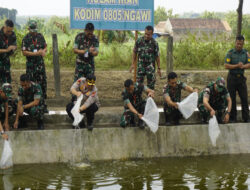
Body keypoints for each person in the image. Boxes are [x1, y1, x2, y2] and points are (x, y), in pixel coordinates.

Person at [21, 20, 48, 112]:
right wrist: (36, 54)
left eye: (35, 30)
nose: (34, 32)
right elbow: (24, 52)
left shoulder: (40, 36)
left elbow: (45, 47)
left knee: (42, 85)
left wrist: (43, 51)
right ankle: (32, 106)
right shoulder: (26, 39)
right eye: (32, 30)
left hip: (40, 65)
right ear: (29, 29)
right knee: (32, 85)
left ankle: (43, 106)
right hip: (31, 66)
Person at [224, 35, 250, 123]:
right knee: (232, 98)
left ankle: (246, 118)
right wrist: (236, 66)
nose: (239, 45)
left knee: (244, 98)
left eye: (241, 44)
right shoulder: (230, 53)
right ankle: (232, 118)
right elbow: (226, 65)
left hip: (241, 78)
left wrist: (243, 66)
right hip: (232, 78)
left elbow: (249, 64)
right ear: (235, 43)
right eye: (238, 44)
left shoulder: (246, 53)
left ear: (243, 44)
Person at [129, 25, 161, 90]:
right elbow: (134, 52)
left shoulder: (154, 43)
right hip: (141, 67)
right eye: (145, 33)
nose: (146, 36)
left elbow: (157, 56)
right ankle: (138, 99)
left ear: (152, 34)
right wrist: (132, 64)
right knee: (138, 85)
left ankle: (150, 99)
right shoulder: (139, 41)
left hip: (150, 68)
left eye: (148, 34)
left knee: (151, 86)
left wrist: (159, 68)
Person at [0, 19, 17, 84]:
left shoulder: (12, 34)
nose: (9, 33)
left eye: (11, 31)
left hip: (6, 62)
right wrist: (7, 50)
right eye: (8, 31)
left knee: (7, 83)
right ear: (4, 27)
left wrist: (13, 49)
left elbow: (15, 45)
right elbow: (7, 49)